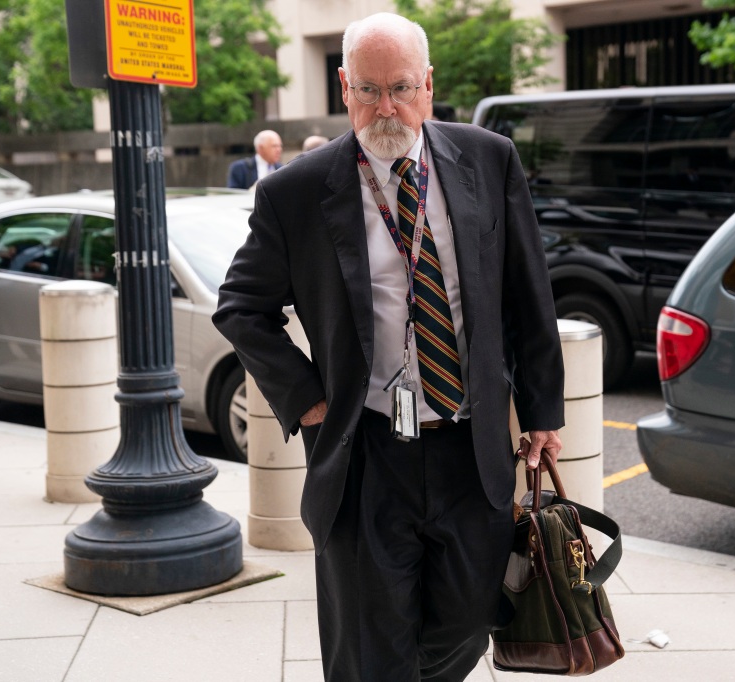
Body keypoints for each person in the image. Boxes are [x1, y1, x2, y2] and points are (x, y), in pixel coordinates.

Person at [213, 12, 564, 682]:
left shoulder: (489, 161)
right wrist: (310, 402)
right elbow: (240, 306)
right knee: (369, 646)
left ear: (428, 84)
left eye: (400, 87)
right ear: (344, 88)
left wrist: (544, 410)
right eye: (368, 90)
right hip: (366, 454)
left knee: (467, 625)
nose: (386, 106)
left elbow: (527, 294)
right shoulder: (296, 192)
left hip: (471, 449)